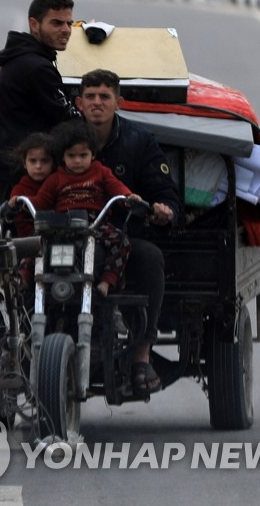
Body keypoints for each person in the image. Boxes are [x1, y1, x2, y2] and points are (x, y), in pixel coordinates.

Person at [75, 68, 181, 393]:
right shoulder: (65, 138)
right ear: (79, 103)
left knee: (150, 259)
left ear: (118, 102)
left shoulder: (139, 141)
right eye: (90, 97)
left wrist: (164, 210)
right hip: (74, 235)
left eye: (104, 97)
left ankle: (141, 354)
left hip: (126, 235)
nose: (97, 103)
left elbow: (165, 193)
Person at [0, 0, 80, 201]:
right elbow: (68, 121)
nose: (66, 30)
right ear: (34, 24)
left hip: (8, 172)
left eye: (69, 24)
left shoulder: (25, 58)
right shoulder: (36, 68)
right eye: (56, 23)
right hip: (17, 179)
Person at [29, 121, 139, 299]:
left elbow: (116, 187)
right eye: (71, 155)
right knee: (33, 242)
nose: (77, 160)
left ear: (93, 154)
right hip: (61, 224)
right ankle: (23, 280)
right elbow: (40, 202)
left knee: (122, 241)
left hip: (94, 224)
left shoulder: (101, 172)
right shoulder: (56, 178)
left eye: (83, 155)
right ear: (63, 157)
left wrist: (129, 197)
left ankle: (106, 281)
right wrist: (18, 200)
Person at [7, 131, 56, 239]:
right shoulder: (19, 191)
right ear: (25, 163)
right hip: (33, 245)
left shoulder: (59, 183)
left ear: (53, 162)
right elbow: (22, 226)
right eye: (33, 161)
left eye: (45, 161)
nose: (38, 166)